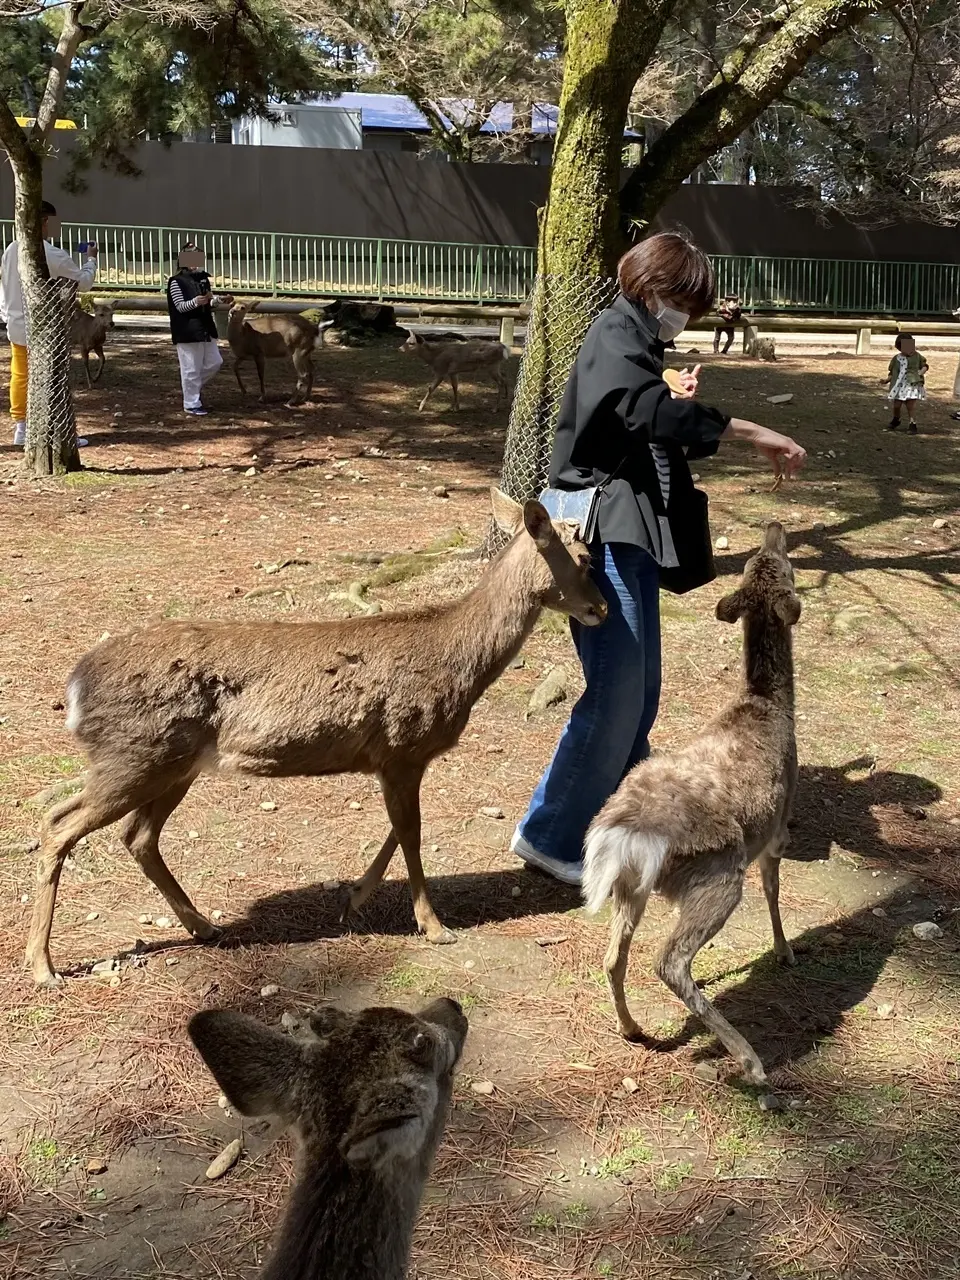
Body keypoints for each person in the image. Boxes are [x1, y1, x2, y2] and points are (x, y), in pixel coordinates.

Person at [510, 231, 807, 885]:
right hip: (602, 531)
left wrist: (675, 400)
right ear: (653, 289)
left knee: (639, 693)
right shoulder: (615, 333)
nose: (688, 318)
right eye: (684, 303)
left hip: (632, 531)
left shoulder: (639, 346)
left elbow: (650, 423)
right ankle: (551, 835)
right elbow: (647, 416)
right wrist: (751, 429)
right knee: (617, 692)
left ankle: (625, 826)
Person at [0, 200, 98, 447]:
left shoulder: (11, 249)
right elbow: (83, 283)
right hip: (46, 328)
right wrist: (91, 260)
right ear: (44, 222)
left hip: (17, 324)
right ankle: (60, 431)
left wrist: (7, 315)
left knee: (20, 375)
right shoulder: (51, 253)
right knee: (53, 377)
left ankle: (22, 427)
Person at [166, 243, 223, 417]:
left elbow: (209, 301)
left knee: (215, 362)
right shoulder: (176, 281)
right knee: (190, 368)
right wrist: (195, 302)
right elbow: (180, 307)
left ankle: (191, 388)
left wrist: (218, 300)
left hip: (205, 327)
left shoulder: (203, 279)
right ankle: (191, 402)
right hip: (187, 330)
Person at [886, 332, 927, 434]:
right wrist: (886, 380)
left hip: (911, 384)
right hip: (899, 386)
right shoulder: (896, 359)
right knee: (896, 405)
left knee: (910, 405)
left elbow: (925, 365)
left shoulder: (917, 356)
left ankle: (912, 423)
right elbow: (892, 372)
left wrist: (921, 372)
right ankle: (896, 418)